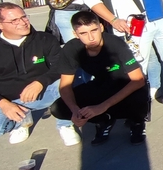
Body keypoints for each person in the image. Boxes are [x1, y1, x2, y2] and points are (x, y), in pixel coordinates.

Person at [0, 3, 75, 145]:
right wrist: (4, 104)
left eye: (24, 17)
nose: (23, 22)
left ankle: (65, 124)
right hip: (8, 99)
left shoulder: (45, 39)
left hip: (44, 92)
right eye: (14, 21)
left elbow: (60, 65)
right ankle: (20, 122)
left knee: (67, 82)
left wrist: (40, 82)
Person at [50, 11, 149, 145]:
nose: (91, 37)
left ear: (101, 28)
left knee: (139, 96)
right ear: (75, 34)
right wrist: (74, 110)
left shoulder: (116, 45)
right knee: (58, 108)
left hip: (126, 86)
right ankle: (103, 119)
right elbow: (65, 85)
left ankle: (136, 122)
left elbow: (138, 80)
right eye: (83, 33)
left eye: (94, 30)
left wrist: (103, 106)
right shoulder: (71, 48)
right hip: (102, 85)